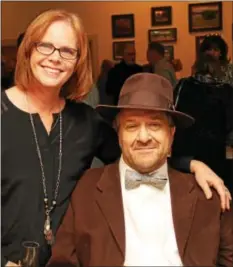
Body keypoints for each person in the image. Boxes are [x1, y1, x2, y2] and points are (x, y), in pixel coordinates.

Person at [1, 9, 231, 267]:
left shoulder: (84, 121)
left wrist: (191, 164)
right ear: (28, 49)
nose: (55, 58)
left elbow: (140, 154)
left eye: (67, 51)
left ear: (78, 60)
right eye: (45, 46)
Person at [48, 73, 233, 267]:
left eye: (154, 125)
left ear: (171, 134)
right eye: (132, 126)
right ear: (118, 134)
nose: (143, 137)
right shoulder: (85, 189)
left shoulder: (207, 194)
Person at [173, 54, 233, 192]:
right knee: (214, 190)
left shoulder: (183, 85)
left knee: (184, 191)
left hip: (184, 149)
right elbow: (230, 124)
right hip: (213, 150)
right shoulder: (226, 90)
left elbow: (173, 111)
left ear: (196, 67)